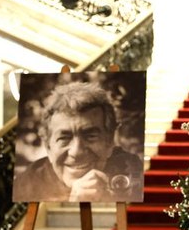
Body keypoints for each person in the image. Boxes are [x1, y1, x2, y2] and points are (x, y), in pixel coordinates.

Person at [14, 80, 143, 202]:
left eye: (90, 136)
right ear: (48, 147)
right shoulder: (26, 185)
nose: (77, 152)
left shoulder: (134, 171)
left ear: (109, 142)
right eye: (64, 138)